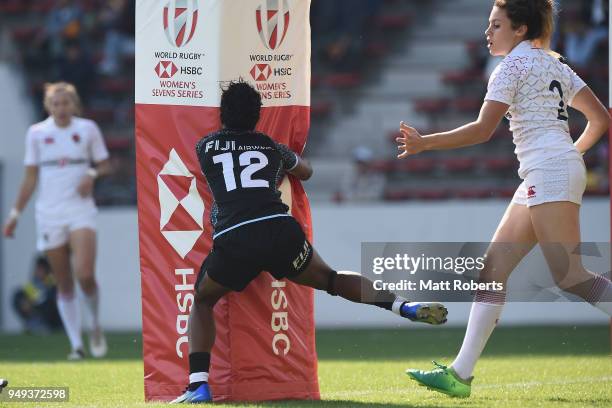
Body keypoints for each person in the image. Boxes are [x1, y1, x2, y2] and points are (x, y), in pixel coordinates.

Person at [171, 80, 448, 404]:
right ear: (257, 116)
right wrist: (285, 162)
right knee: (331, 278)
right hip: (279, 228)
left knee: (203, 300)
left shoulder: (205, 146)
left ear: (222, 115)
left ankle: (198, 386)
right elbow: (306, 171)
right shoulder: (271, 147)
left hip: (236, 235)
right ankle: (403, 305)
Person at [396, 0, 612, 398]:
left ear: (520, 30)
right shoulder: (555, 63)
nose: (488, 32)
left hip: (548, 171)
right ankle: (460, 376)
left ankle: (459, 374)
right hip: (547, 171)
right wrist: (569, 157)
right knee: (492, 272)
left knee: (571, 276)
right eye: (489, 25)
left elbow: (482, 131)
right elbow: (601, 120)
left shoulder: (510, 67)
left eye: (496, 25)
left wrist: (425, 143)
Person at [3, 82, 112, 360]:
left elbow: (105, 164)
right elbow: (30, 177)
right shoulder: (37, 134)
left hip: (80, 211)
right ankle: (76, 345)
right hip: (49, 214)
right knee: (63, 282)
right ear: (48, 106)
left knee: (85, 275)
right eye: (56, 104)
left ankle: (96, 324)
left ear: (74, 105)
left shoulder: (87, 129)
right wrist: (15, 214)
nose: (61, 108)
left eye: (66, 103)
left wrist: (91, 175)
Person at [12, 254, 62, 334]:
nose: (38, 271)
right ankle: (34, 324)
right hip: (36, 314)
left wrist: (33, 304)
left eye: (40, 269)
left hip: (52, 320)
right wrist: (24, 302)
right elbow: (23, 294)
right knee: (17, 296)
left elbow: (48, 300)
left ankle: (42, 325)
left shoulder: (52, 283)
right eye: (37, 269)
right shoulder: (34, 284)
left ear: (46, 270)